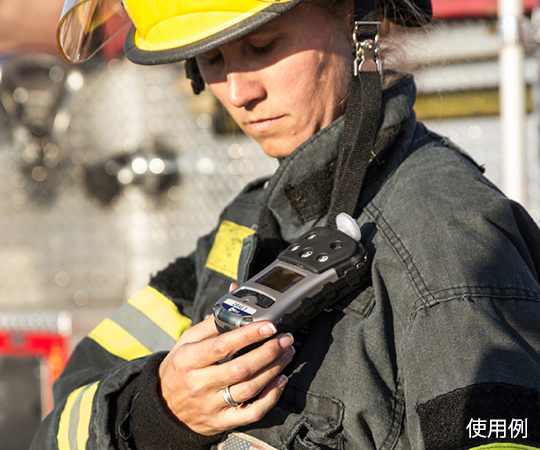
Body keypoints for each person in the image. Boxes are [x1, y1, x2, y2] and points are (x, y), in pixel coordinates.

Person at [33, 0, 540, 449]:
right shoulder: (248, 224)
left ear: (355, 21)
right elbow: (59, 421)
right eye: (212, 59)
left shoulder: (449, 238)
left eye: (262, 46)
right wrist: (154, 414)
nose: (238, 92)